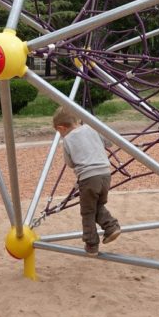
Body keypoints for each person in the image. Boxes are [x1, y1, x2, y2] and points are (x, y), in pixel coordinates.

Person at [53, 105, 121, 256]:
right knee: (97, 205)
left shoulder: (68, 139)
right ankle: (111, 227)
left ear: (61, 128)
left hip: (88, 178)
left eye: (59, 132)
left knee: (88, 212)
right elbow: (109, 142)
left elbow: (70, 163)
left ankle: (91, 245)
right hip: (105, 175)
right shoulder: (92, 127)